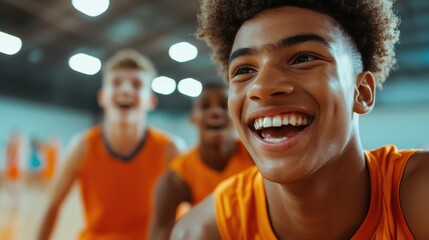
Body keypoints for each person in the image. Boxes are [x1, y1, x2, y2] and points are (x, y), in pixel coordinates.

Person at [171, 1, 429, 239]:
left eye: (303, 58)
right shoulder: (203, 232)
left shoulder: (418, 197)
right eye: (244, 70)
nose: (261, 87)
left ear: (361, 92)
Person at [38, 49, 183, 240]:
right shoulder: (82, 146)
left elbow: (190, 209)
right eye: (116, 83)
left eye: (136, 84)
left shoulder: (170, 149)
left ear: (151, 101)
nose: (125, 89)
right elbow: (53, 205)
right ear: (102, 97)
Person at [149, 83, 254, 240]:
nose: (215, 112)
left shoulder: (256, 157)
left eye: (223, 106)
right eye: (205, 106)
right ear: (193, 117)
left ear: (236, 113)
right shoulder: (175, 178)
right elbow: (159, 234)